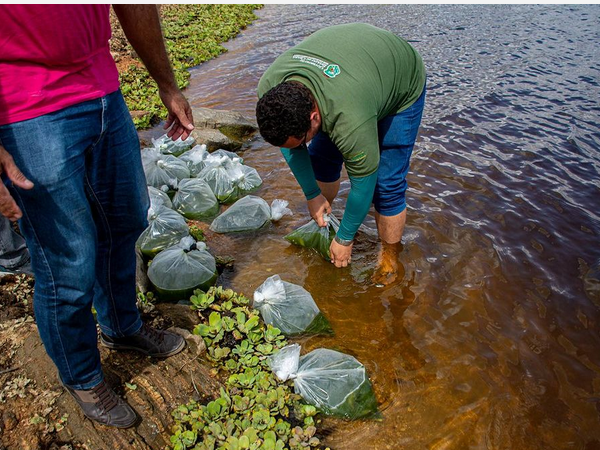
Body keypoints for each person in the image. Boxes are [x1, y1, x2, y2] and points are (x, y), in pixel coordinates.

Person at [0, 5, 195, 428]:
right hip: (26, 109)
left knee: (125, 221)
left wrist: (166, 83)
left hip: (102, 92)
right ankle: (83, 376)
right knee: (66, 260)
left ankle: (122, 326)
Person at [256, 23, 426, 284]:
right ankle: (326, 224)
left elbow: (363, 183)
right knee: (321, 162)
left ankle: (390, 256)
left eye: (301, 139)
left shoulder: (349, 118)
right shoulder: (270, 91)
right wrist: (312, 195)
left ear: (313, 117)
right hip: (351, 77)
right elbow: (292, 147)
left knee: (387, 184)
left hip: (400, 80)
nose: (297, 145)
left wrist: (346, 237)